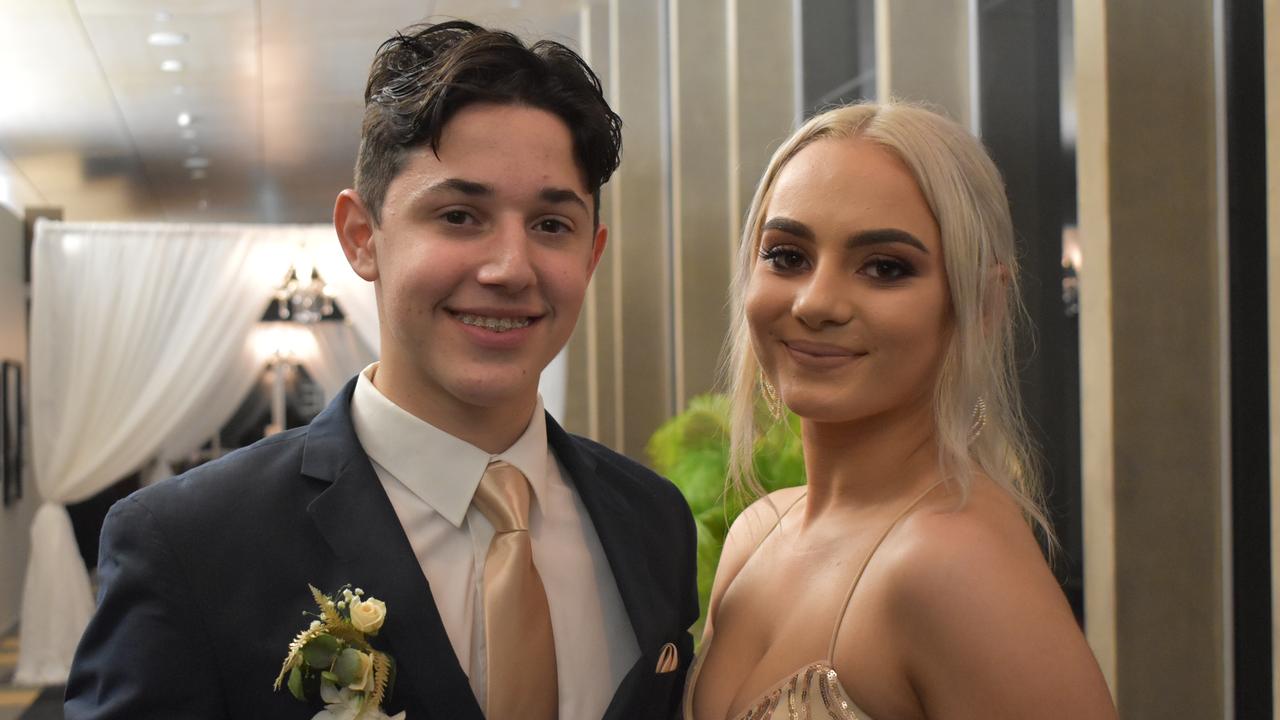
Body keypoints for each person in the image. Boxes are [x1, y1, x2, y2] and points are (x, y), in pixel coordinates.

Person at [65, 20, 697, 720]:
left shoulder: (651, 520)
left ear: (592, 253)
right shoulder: (190, 545)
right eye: (460, 215)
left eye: (551, 225)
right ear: (362, 238)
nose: (510, 268)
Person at [682, 102, 1116, 719]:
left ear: (982, 305)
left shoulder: (952, 563)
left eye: (885, 268)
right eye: (786, 255)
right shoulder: (758, 531)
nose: (816, 302)